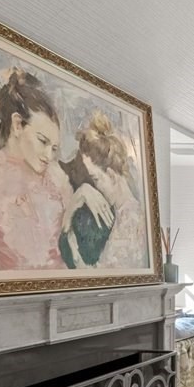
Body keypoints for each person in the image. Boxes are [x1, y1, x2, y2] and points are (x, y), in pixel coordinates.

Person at [0, 68, 112, 271]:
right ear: (17, 124)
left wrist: (79, 196)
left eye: (54, 148)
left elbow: (70, 248)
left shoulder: (56, 176)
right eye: (42, 141)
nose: (49, 156)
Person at [59, 111, 148, 269]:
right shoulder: (127, 214)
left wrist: (68, 229)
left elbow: (99, 278)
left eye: (96, 179)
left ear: (112, 176)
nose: (96, 188)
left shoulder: (129, 220)